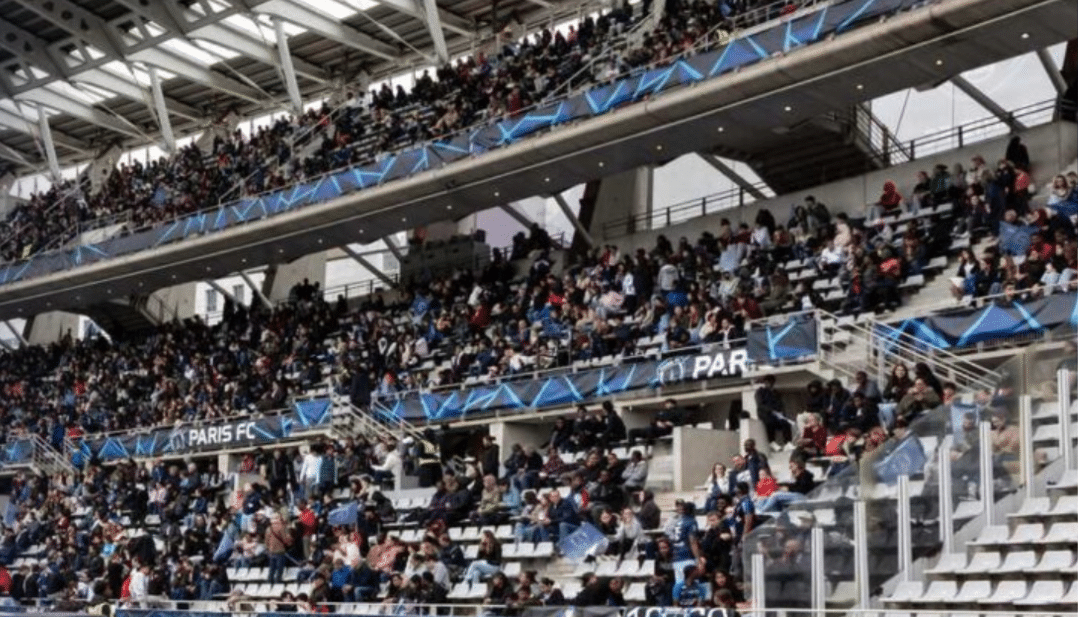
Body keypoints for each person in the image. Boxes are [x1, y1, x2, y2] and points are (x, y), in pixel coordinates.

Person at [754, 376, 792, 446]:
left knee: (786, 424)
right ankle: (772, 444)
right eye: (767, 382)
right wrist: (771, 411)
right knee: (770, 424)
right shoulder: (760, 392)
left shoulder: (775, 393)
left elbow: (780, 405)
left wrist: (781, 414)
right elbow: (760, 405)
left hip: (776, 415)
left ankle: (787, 444)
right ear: (765, 383)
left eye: (771, 382)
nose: (769, 384)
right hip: (765, 415)